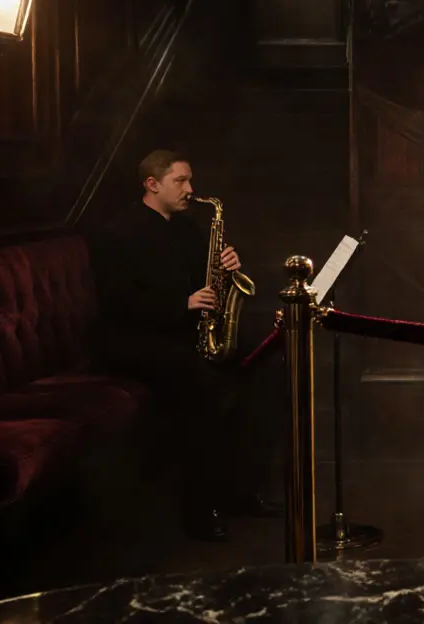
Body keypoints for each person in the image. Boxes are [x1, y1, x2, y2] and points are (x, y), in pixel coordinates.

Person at [88, 150, 280, 542]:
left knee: (265, 368)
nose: (190, 190)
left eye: (190, 180)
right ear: (152, 184)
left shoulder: (188, 228)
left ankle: (243, 491)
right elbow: (116, 303)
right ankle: (199, 510)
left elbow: (211, 284)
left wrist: (230, 267)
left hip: (181, 334)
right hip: (135, 341)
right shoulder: (116, 234)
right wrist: (183, 303)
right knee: (204, 384)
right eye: (181, 181)